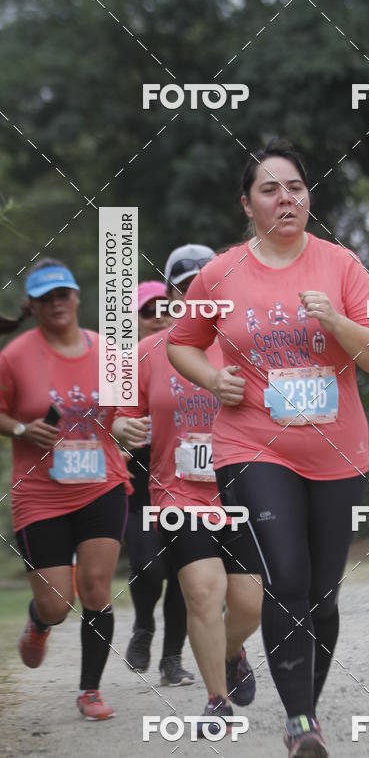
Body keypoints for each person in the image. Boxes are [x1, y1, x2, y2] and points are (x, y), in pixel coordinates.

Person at [165, 139, 369, 758]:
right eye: (269, 190)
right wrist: (212, 378)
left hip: (335, 451)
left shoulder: (341, 265)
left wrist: (338, 323)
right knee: (286, 578)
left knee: (322, 595)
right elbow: (181, 342)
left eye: (295, 187)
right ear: (248, 205)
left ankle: (307, 710)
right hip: (251, 445)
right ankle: (299, 723)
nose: (285, 198)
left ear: (308, 197)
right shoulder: (220, 273)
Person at [113, 245, 263, 734]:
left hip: (243, 491)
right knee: (202, 592)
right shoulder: (147, 352)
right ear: (173, 295)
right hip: (179, 493)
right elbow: (119, 415)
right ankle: (217, 700)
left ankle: (232, 651)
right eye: (186, 286)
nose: (198, 292)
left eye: (207, 283)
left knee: (250, 605)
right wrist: (123, 428)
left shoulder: (248, 341)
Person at [0, 259, 131, 720]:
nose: (56, 303)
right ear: (32, 307)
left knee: (96, 588)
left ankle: (89, 690)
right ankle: (41, 622)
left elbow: (126, 413)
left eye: (62, 294)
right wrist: (20, 428)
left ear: (76, 297)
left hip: (101, 482)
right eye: (45, 298)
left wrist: (127, 432)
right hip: (40, 493)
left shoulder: (108, 351)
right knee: (58, 603)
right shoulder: (14, 357)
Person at [122, 280, 193, 685]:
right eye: (146, 311)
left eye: (163, 308)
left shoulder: (196, 352)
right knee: (148, 564)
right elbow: (104, 419)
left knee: (185, 568)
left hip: (189, 476)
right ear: (134, 320)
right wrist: (118, 438)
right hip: (139, 478)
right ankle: (144, 625)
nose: (157, 317)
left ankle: (172, 659)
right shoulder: (125, 363)